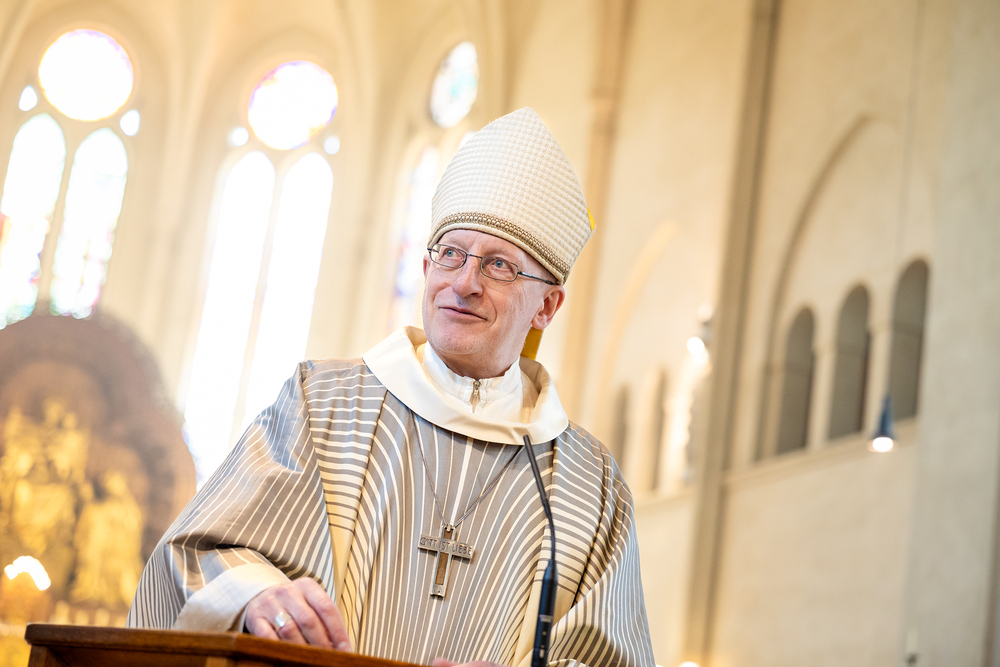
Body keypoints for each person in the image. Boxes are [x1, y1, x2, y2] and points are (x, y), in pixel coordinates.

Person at [128, 108, 655, 667]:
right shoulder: (320, 405)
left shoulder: (590, 484)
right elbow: (191, 556)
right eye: (450, 254)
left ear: (546, 306)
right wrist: (256, 596)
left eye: (499, 265)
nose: (464, 283)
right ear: (427, 269)